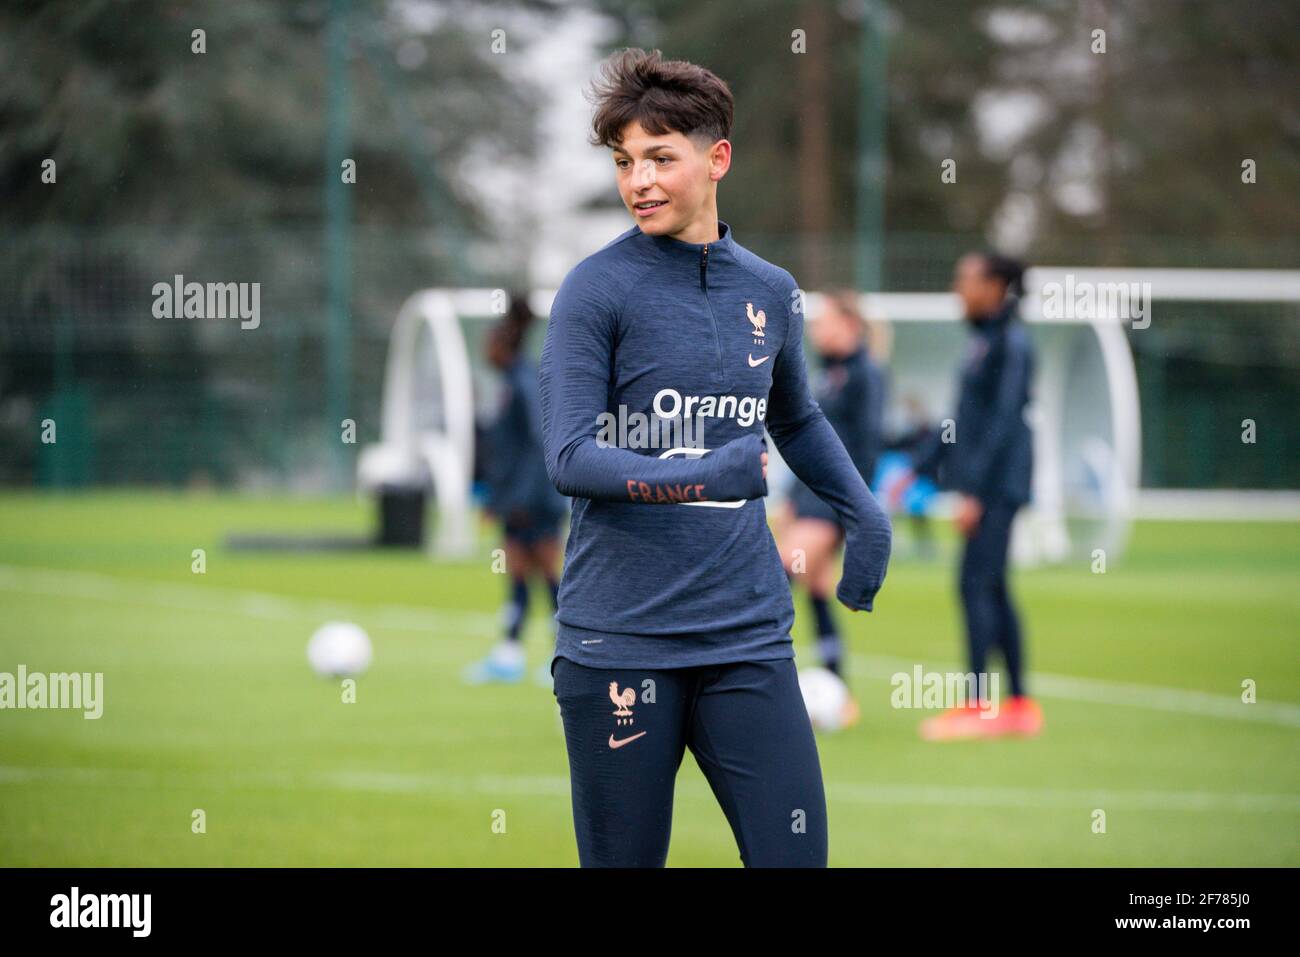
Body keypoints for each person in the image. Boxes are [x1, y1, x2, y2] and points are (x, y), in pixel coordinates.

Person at [538, 49, 892, 867]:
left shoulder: (770, 290)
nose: (640, 182)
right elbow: (569, 457)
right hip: (619, 643)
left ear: (716, 158)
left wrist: (861, 509)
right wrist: (705, 474)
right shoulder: (596, 290)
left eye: (661, 157)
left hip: (748, 635)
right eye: (626, 162)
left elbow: (795, 418)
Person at [901, 252, 1044, 740]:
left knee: (974, 584)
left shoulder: (1012, 343)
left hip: (998, 485)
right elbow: (961, 421)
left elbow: (1003, 423)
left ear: (996, 286)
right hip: (989, 484)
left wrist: (976, 493)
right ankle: (1021, 705)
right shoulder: (983, 340)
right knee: (993, 585)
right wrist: (918, 468)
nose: (956, 289)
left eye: (966, 280)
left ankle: (978, 705)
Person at [775, 291, 887, 727]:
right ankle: (841, 693)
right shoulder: (826, 374)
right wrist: (788, 495)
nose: (818, 330)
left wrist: (852, 505)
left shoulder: (867, 375)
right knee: (818, 591)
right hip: (805, 497)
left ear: (851, 326)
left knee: (777, 575)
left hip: (831, 500)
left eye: (828, 323)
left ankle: (747, 680)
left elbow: (867, 443)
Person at [465, 294, 567, 685]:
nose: (484, 353)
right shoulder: (514, 381)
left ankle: (563, 654)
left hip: (535, 501)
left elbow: (537, 445)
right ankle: (509, 653)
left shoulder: (523, 383)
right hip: (523, 500)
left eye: (487, 346)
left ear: (500, 346)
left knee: (547, 572)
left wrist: (520, 500)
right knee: (520, 572)